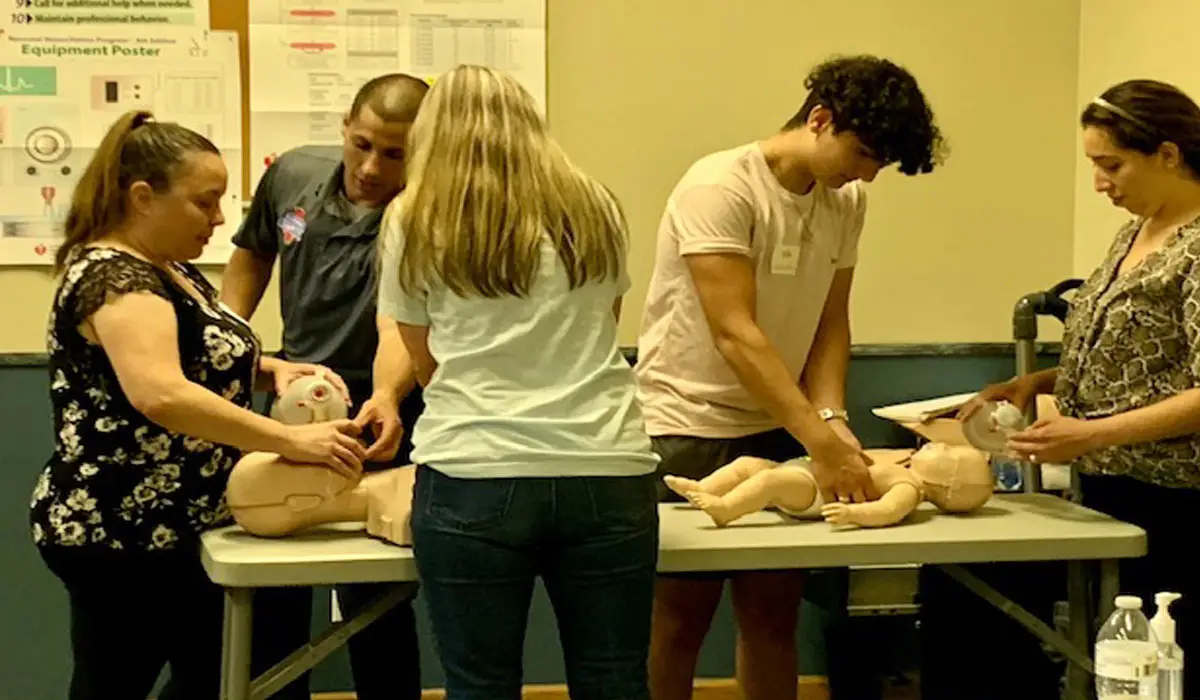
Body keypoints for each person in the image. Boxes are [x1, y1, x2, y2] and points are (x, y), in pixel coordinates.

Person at [634, 54, 946, 700]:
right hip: (685, 423)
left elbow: (832, 324)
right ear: (819, 119)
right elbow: (735, 334)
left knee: (774, 616)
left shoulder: (846, 200)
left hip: (782, 426)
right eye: (861, 153)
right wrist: (820, 438)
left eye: (879, 164)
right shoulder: (720, 187)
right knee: (679, 622)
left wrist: (830, 422)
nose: (866, 174)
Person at [28, 110, 365, 700]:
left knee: (219, 677)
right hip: (124, 535)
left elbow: (192, 358)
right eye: (203, 202)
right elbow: (160, 391)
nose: (218, 219)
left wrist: (271, 367)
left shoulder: (169, 270)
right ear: (141, 198)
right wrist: (287, 439)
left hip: (182, 528)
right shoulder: (116, 277)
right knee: (116, 682)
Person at [377, 63, 661, 700]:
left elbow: (422, 358)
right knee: (614, 677)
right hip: (606, 465)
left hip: (475, 470)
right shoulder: (597, 206)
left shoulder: (414, 217)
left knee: (480, 683)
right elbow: (604, 325)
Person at [962, 78, 1200, 696]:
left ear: (1169, 155)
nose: (1100, 183)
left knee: (1156, 669)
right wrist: (1035, 382)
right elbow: (1124, 354)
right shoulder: (1136, 233)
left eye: (1111, 164)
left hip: (1174, 498)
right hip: (1109, 485)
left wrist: (1092, 432)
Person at [220, 73, 429, 699]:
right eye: (361, 144)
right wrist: (233, 346)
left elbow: (399, 321)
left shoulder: (427, 211)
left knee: (377, 585)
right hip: (293, 393)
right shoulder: (292, 176)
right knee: (278, 576)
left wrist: (388, 398)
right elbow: (252, 252)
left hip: (386, 402)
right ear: (345, 125)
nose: (370, 167)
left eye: (394, 153)